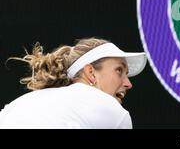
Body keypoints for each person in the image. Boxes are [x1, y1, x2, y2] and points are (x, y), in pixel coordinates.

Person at [0, 37, 147, 129]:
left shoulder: (18, 103)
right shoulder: (112, 111)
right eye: (119, 70)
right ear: (91, 72)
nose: (128, 83)